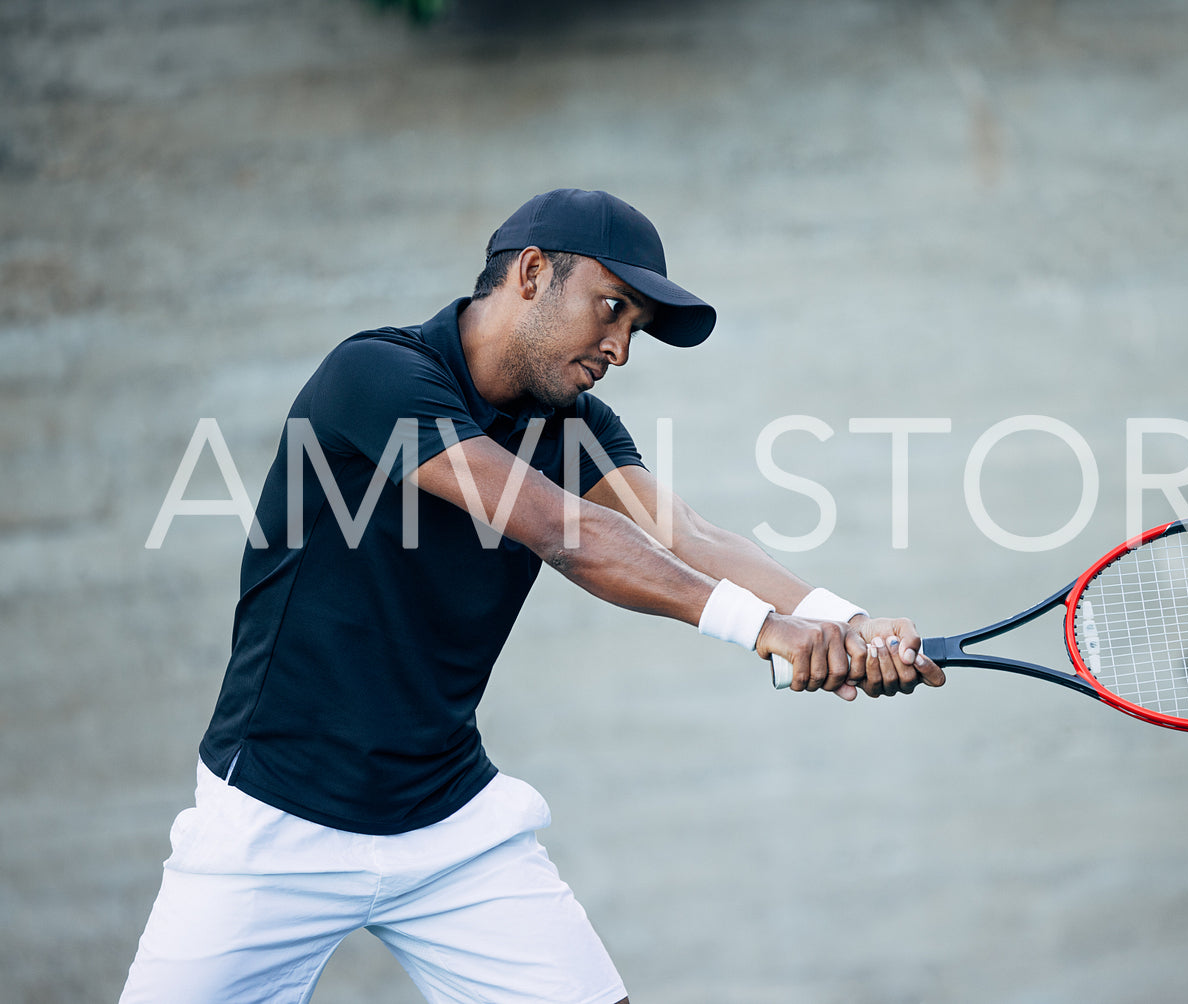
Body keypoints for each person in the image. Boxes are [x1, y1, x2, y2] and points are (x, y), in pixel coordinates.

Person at [120, 188, 945, 1004]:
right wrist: (765, 629)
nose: (619, 348)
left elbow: (688, 535)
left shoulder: (576, 426)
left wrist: (845, 623)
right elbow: (563, 531)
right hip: (273, 817)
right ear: (530, 271)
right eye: (611, 308)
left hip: (450, 823)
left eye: (635, 331)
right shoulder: (374, 375)